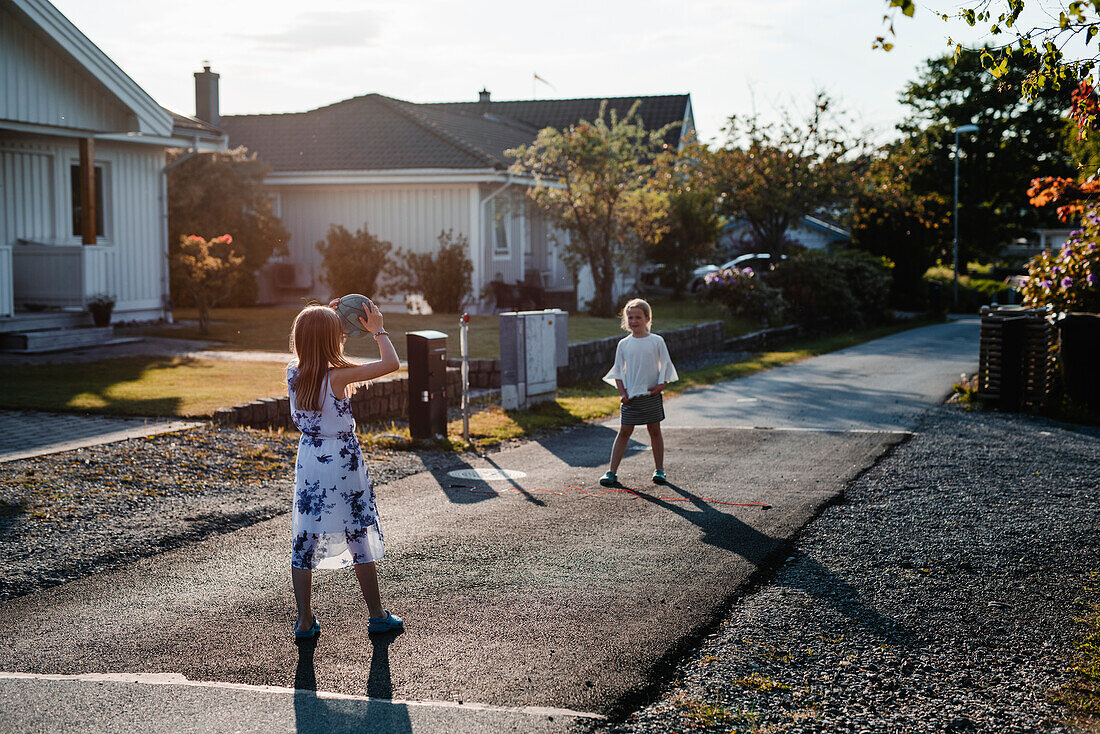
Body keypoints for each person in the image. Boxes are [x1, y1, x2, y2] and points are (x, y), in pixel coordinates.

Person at [286, 298, 403, 640]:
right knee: (357, 533)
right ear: (333, 338)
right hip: (342, 460)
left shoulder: (294, 372)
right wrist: (377, 328)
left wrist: (327, 314)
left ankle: (305, 622)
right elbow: (391, 363)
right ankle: (377, 616)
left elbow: (319, 342)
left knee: (304, 538)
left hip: (310, 458)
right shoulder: (340, 377)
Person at [599, 298, 679, 487]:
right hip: (630, 397)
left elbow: (666, 364)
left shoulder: (657, 341)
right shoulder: (623, 345)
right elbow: (618, 371)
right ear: (626, 320)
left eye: (638, 317)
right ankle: (612, 472)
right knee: (624, 431)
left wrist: (661, 386)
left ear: (647, 318)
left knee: (654, 430)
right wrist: (622, 393)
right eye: (630, 317)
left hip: (651, 395)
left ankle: (659, 470)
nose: (634, 321)